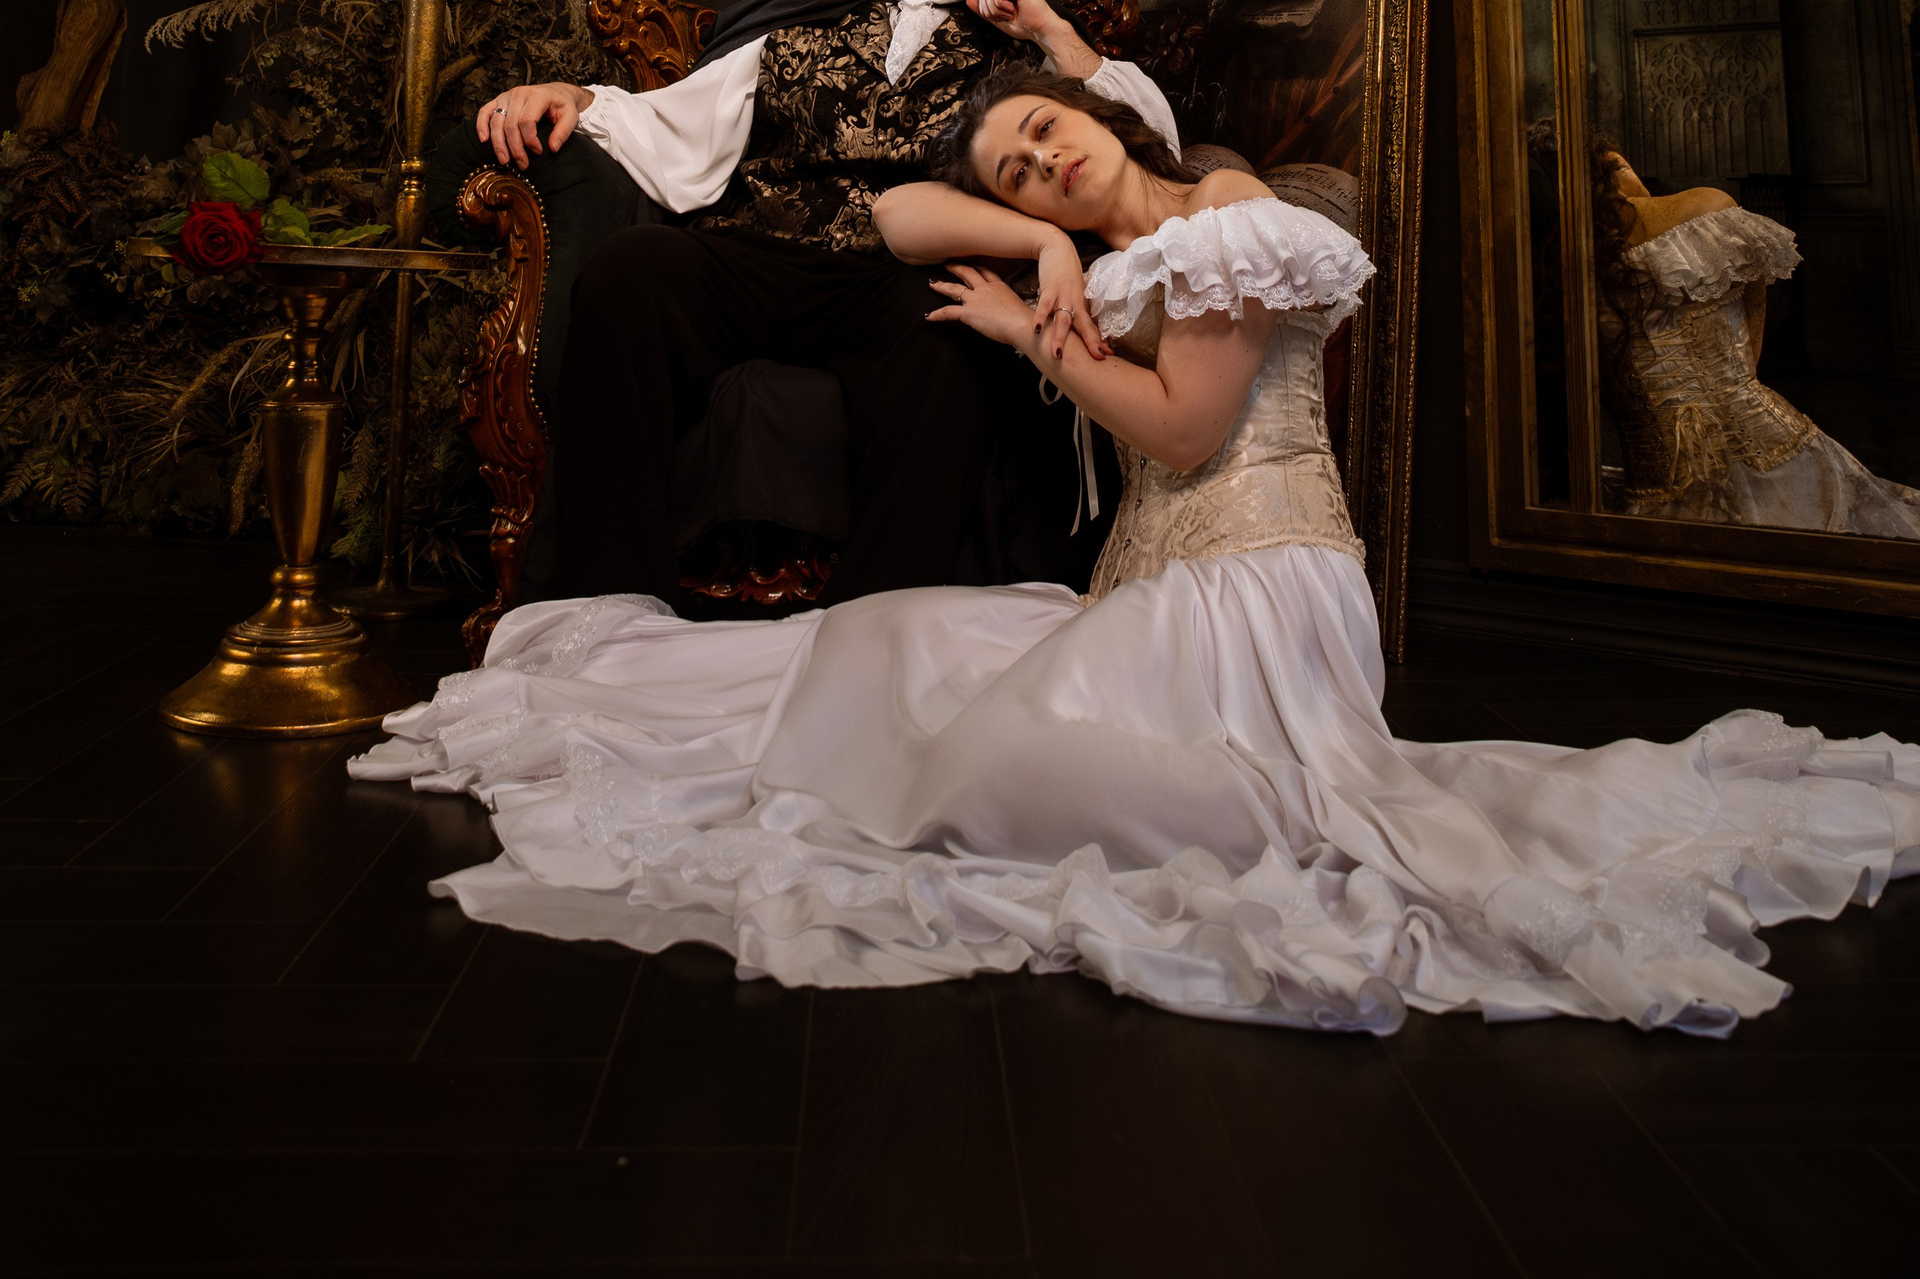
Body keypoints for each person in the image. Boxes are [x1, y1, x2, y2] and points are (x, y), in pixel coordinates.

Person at [355, 69, 1920, 1035]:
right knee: (892, 641)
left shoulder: (1227, 209)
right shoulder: (1094, 253)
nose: (1041, 167)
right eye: (1014, 171)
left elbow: (1183, 429)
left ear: (1100, 117)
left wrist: (1039, 338)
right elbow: (896, 219)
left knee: (978, 767)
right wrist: (1033, 245)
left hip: (1256, 583)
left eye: (1046, 137)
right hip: (1159, 584)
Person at [471, 0, 1180, 606]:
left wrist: (1049, 28)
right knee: (631, 269)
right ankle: (602, 604)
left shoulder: (1022, 53)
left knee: (951, 342)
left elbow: (1150, 143)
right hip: (759, 258)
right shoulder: (808, 13)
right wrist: (574, 95)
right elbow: (678, 116)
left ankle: (875, 626)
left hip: (893, 281)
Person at [1574, 136, 1920, 535]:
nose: (1635, 177)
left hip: (1682, 464)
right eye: (1622, 166)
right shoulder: (1702, 208)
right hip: (1733, 450)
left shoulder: (1577, 257)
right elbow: (1751, 333)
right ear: (1610, 178)